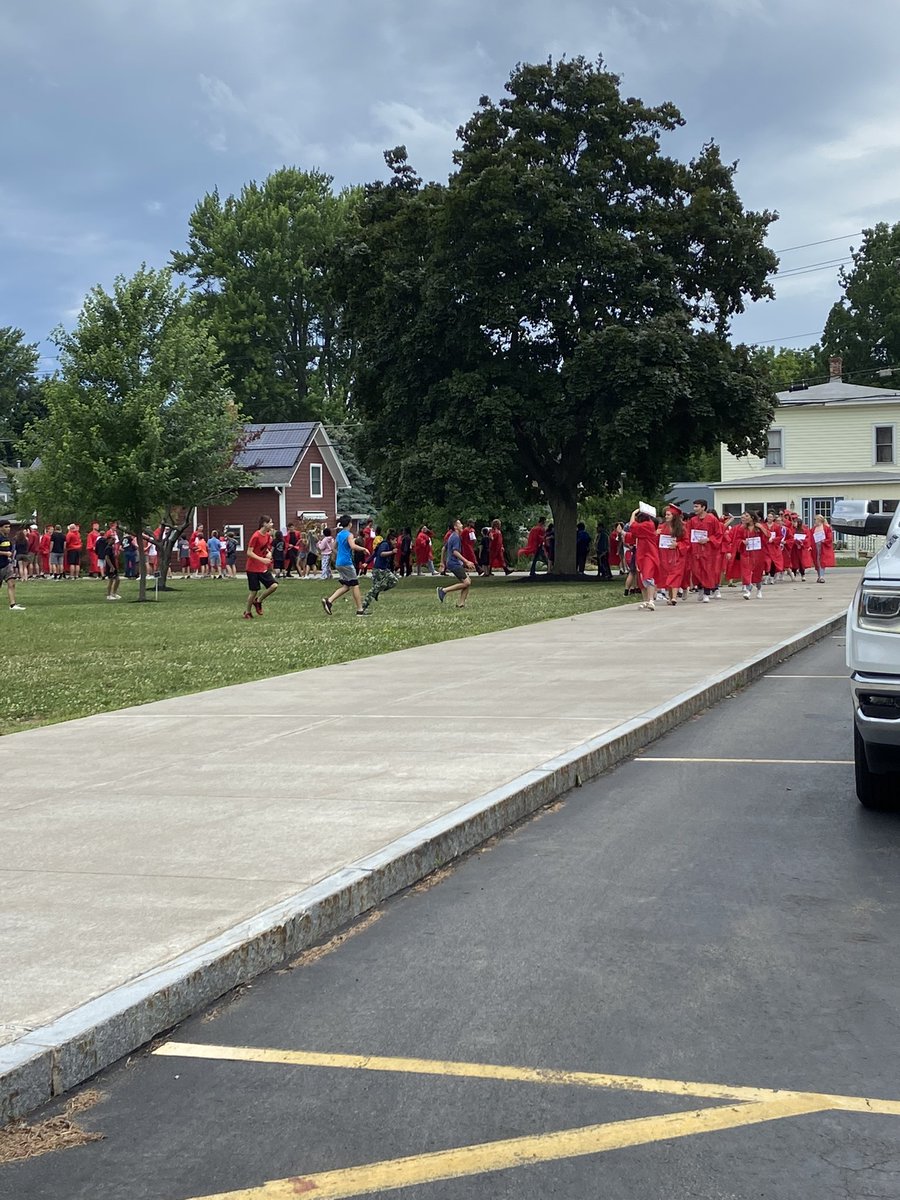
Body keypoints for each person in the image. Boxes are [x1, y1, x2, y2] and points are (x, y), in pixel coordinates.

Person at [322, 515, 366, 616]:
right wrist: (363, 549)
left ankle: (329, 601)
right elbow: (353, 546)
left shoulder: (339, 534)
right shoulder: (349, 535)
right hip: (347, 563)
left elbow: (333, 547)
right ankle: (360, 610)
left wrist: (339, 554)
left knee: (346, 586)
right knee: (355, 584)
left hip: (339, 562)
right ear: (350, 523)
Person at [242, 515, 279, 619]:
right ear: (264, 524)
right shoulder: (256, 536)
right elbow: (249, 552)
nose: (272, 524)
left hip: (262, 567)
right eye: (270, 522)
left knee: (274, 585)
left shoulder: (267, 536)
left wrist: (268, 553)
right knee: (254, 591)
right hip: (252, 568)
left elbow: (265, 549)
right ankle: (247, 612)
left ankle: (258, 601)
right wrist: (262, 559)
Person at [687, 500, 723, 602]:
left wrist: (709, 539)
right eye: (694, 507)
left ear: (703, 507)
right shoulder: (693, 520)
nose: (694, 509)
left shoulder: (712, 519)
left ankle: (707, 593)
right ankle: (700, 588)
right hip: (696, 549)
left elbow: (718, 534)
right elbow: (688, 534)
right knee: (696, 571)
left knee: (707, 571)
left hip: (708, 550)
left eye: (697, 507)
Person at [437, 518, 475, 608]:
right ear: (455, 527)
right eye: (460, 524)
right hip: (454, 563)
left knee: (468, 581)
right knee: (467, 583)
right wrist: (466, 561)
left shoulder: (452, 536)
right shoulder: (456, 537)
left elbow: (443, 549)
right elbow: (455, 552)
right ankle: (443, 590)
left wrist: (442, 562)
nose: (462, 525)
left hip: (452, 563)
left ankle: (461, 604)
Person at [627, 510, 661, 610]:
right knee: (642, 578)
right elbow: (632, 534)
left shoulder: (648, 525)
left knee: (648, 576)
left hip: (649, 555)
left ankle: (651, 600)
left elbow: (632, 526)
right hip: (641, 555)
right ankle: (646, 600)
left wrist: (633, 513)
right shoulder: (643, 528)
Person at [361, 531, 401, 611]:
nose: (396, 542)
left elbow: (374, 554)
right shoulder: (385, 544)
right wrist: (392, 552)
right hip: (378, 570)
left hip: (385, 569)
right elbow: (381, 554)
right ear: (391, 539)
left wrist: (366, 562)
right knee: (375, 588)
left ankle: (377, 591)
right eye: (395, 540)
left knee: (394, 581)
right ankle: (363, 606)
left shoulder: (388, 545)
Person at [657, 505, 688, 604]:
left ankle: (674, 597)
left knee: (675, 575)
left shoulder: (682, 528)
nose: (666, 516)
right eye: (666, 515)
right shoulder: (661, 527)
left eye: (668, 515)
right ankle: (671, 597)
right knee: (667, 576)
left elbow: (687, 542)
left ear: (674, 516)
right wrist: (655, 534)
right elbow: (656, 541)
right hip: (664, 555)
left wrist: (678, 544)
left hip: (677, 555)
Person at [736, 511, 767, 599]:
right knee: (746, 572)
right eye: (743, 516)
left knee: (757, 573)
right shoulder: (742, 528)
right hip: (746, 553)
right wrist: (742, 541)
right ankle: (748, 590)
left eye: (746, 516)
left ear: (752, 517)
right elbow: (737, 539)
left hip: (758, 553)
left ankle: (759, 589)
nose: (744, 518)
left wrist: (761, 527)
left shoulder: (759, 527)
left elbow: (768, 536)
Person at [0, 520, 24, 610]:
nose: (8, 529)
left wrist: (9, 557)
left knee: (11, 583)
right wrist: (5, 553)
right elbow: (6, 552)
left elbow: (10, 550)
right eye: (6, 527)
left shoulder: (7, 539)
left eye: (9, 527)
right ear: (1, 528)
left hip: (6, 565)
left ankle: (13, 605)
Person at [96, 530, 121, 600]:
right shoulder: (108, 548)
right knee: (111, 580)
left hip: (113, 565)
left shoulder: (112, 547)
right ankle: (109, 595)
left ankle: (114, 593)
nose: (114, 541)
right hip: (110, 566)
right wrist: (111, 566)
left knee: (118, 579)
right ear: (108, 540)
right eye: (112, 539)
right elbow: (107, 558)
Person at [788, 512, 813, 581]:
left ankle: (803, 574)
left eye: (795, 522)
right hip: (794, 548)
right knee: (794, 561)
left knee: (801, 562)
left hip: (801, 548)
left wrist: (802, 543)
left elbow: (807, 538)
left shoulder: (804, 530)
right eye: (793, 522)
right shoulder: (792, 530)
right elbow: (790, 537)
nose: (793, 523)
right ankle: (794, 575)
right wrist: (795, 542)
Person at [812, 514, 835, 582]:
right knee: (817, 561)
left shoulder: (826, 528)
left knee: (822, 561)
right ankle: (819, 576)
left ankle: (822, 576)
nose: (814, 521)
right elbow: (810, 537)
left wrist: (824, 541)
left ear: (819, 520)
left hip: (823, 546)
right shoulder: (813, 529)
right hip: (815, 546)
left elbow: (830, 538)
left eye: (815, 519)